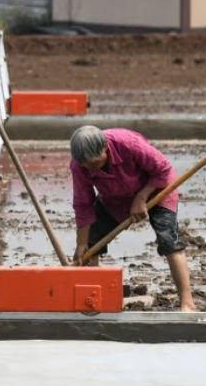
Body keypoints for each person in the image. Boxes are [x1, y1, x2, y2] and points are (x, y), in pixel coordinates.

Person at [68, 126, 195, 311]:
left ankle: (187, 302)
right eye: (88, 165)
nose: (92, 168)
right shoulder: (78, 166)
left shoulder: (128, 143)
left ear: (105, 148)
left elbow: (164, 170)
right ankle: (91, 300)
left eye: (96, 164)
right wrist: (81, 244)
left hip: (157, 190)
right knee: (91, 242)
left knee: (168, 240)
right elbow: (83, 204)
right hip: (115, 198)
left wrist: (142, 197)